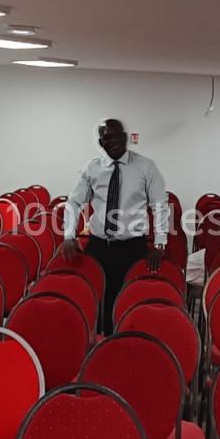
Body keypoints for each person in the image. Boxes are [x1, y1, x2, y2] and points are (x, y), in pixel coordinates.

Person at [61, 119, 170, 334]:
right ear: (101, 142)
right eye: (109, 137)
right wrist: (68, 234)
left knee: (128, 303)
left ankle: (126, 341)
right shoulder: (92, 168)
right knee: (98, 302)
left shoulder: (146, 167)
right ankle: (99, 346)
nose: (116, 141)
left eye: (120, 135)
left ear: (126, 137)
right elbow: (73, 202)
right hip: (99, 246)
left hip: (132, 247)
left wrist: (160, 243)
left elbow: (160, 205)